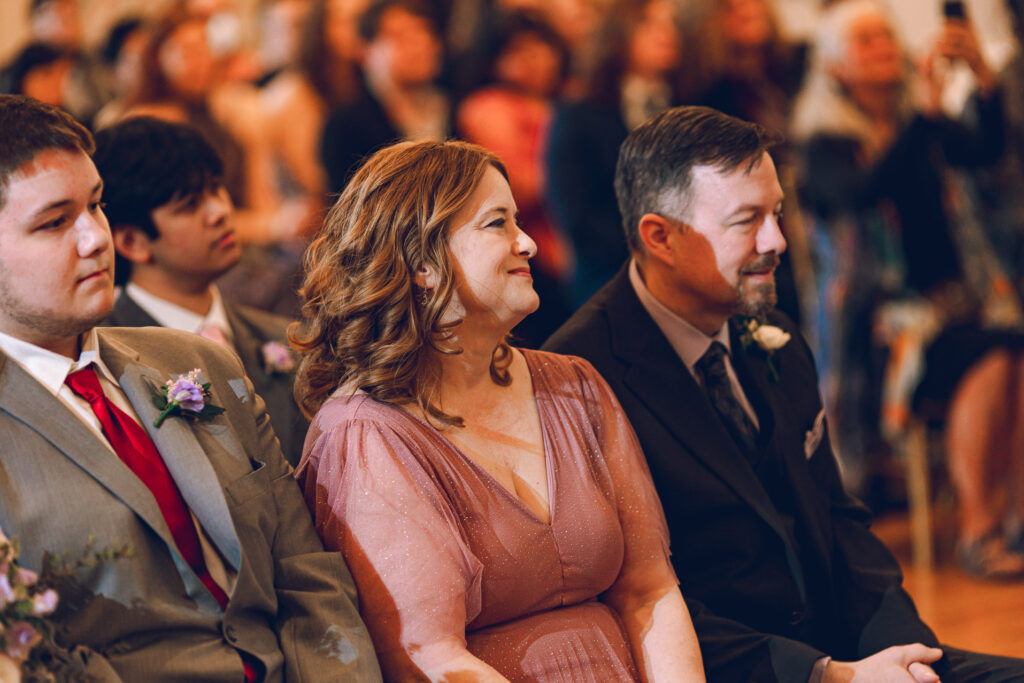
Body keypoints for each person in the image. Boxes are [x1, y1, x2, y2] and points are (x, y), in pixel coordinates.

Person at [543, 105, 1024, 682]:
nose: (779, 240)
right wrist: (823, 674)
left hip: (854, 656)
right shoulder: (580, 378)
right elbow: (629, 602)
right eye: (747, 221)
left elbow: (838, 520)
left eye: (776, 213)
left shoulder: (774, 332)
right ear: (660, 237)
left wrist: (909, 657)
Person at [292, 139, 705, 681]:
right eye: (497, 224)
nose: (529, 242)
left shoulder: (574, 386)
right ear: (421, 263)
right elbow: (430, 657)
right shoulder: (368, 434)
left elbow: (650, 592)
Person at [0, 94, 381, 681]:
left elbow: (305, 572)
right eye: (54, 222)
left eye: (96, 206)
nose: (95, 239)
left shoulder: (197, 360)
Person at [791, 0, 1024, 578]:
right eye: (867, 41)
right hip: (878, 327)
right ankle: (978, 528)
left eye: (887, 36)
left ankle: (1016, 518)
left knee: (1009, 343)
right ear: (837, 66)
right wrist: (922, 113)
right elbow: (862, 193)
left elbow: (986, 150)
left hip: (953, 306)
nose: (886, 47)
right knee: (992, 352)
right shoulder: (824, 142)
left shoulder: (918, 122)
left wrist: (984, 79)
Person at [93, 117, 310, 467]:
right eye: (190, 206)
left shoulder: (280, 337)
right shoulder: (108, 362)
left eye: (216, 188)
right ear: (132, 241)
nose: (221, 211)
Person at [544, 0, 698, 309]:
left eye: (670, 24)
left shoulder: (692, 105)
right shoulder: (580, 113)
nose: (666, 33)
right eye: (649, 23)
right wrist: (655, 254)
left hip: (690, 268)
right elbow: (576, 216)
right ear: (617, 34)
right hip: (610, 278)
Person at [320, 0, 450, 194]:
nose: (421, 44)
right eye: (401, 36)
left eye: (426, 32)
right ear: (364, 50)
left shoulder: (451, 105)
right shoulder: (345, 124)